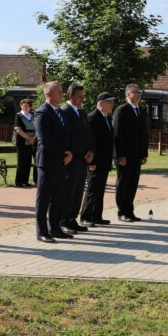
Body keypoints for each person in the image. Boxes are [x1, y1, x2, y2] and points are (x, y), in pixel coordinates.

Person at [34, 81, 72, 242]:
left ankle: (55, 228)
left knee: (58, 197)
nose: (62, 94)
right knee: (44, 198)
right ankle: (42, 231)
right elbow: (45, 139)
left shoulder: (61, 112)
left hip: (62, 161)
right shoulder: (42, 112)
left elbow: (67, 135)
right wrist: (63, 153)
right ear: (49, 94)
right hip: (48, 161)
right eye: (59, 91)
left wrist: (70, 152)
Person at [60, 84, 94, 232]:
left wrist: (90, 151)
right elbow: (65, 136)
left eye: (83, 96)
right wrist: (71, 152)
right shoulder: (64, 111)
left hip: (82, 159)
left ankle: (72, 218)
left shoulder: (81, 112)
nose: (82, 99)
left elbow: (87, 134)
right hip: (70, 159)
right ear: (70, 96)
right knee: (68, 191)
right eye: (79, 96)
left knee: (78, 190)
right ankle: (63, 220)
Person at [113, 84, 149, 222]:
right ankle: (122, 212)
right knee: (123, 183)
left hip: (136, 155)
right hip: (125, 156)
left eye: (140, 92)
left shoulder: (141, 111)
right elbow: (117, 134)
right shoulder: (121, 110)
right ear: (128, 95)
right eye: (136, 92)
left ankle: (130, 211)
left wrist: (144, 153)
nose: (139, 95)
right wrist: (119, 155)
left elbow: (144, 134)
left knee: (133, 183)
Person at [80, 92, 116, 227]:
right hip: (95, 161)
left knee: (100, 189)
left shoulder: (107, 117)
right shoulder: (92, 118)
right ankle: (85, 216)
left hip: (105, 161)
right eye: (109, 102)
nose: (112, 104)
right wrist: (92, 161)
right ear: (100, 104)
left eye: (112, 102)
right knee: (92, 189)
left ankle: (97, 216)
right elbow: (90, 141)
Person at [13, 98, 37, 188]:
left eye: (27, 106)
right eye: (23, 106)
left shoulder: (32, 116)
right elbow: (18, 130)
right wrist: (29, 138)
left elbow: (37, 129)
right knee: (21, 162)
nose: (25, 107)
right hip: (22, 142)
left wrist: (33, 138)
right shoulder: (18, 115)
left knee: (28, 162)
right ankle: (19, 182)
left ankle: (25, 181)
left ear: (30, 107)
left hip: (31, 142)